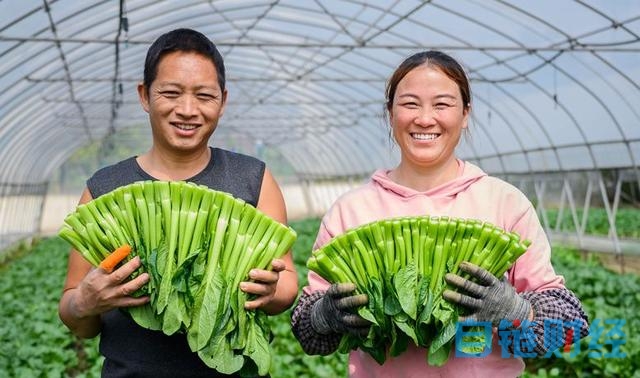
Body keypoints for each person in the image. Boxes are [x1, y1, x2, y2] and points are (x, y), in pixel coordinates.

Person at [291, 50, 589, 377]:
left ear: (465, 113)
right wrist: (323, 317)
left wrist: (513, 311)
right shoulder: (350, 211)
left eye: (442, 104)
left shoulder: (504, 202)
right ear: (390, 113)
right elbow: (309, 336)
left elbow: (566, 331)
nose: (425, 118)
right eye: (410, 103)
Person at [58, 28, 298, 377]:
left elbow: (287, 283)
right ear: (145, 95)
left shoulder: (253, 178)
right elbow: (76, 314)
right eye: (170, 93)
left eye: (204, 96)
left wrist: (272, 290)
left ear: (223, 100)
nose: (188, 110)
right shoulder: (105, 190)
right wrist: (83, 303)